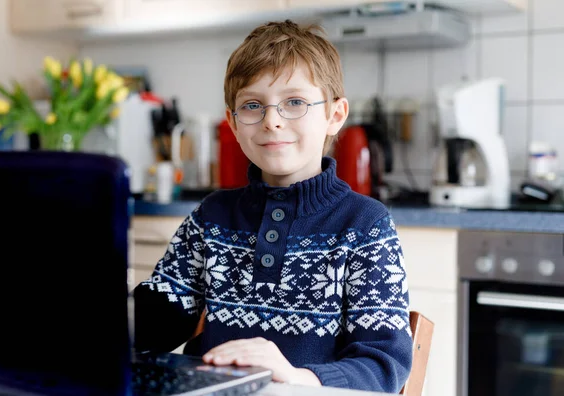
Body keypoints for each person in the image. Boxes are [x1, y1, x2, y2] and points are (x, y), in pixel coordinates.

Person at [133, 19, 413, 393]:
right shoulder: (211, 217)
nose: (271, 121)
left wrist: (299, 378)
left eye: (294, 102)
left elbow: (384, 368)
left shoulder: (365, 225)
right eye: (252, 105)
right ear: (232, 124)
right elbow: (154, 327)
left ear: (335, 115)